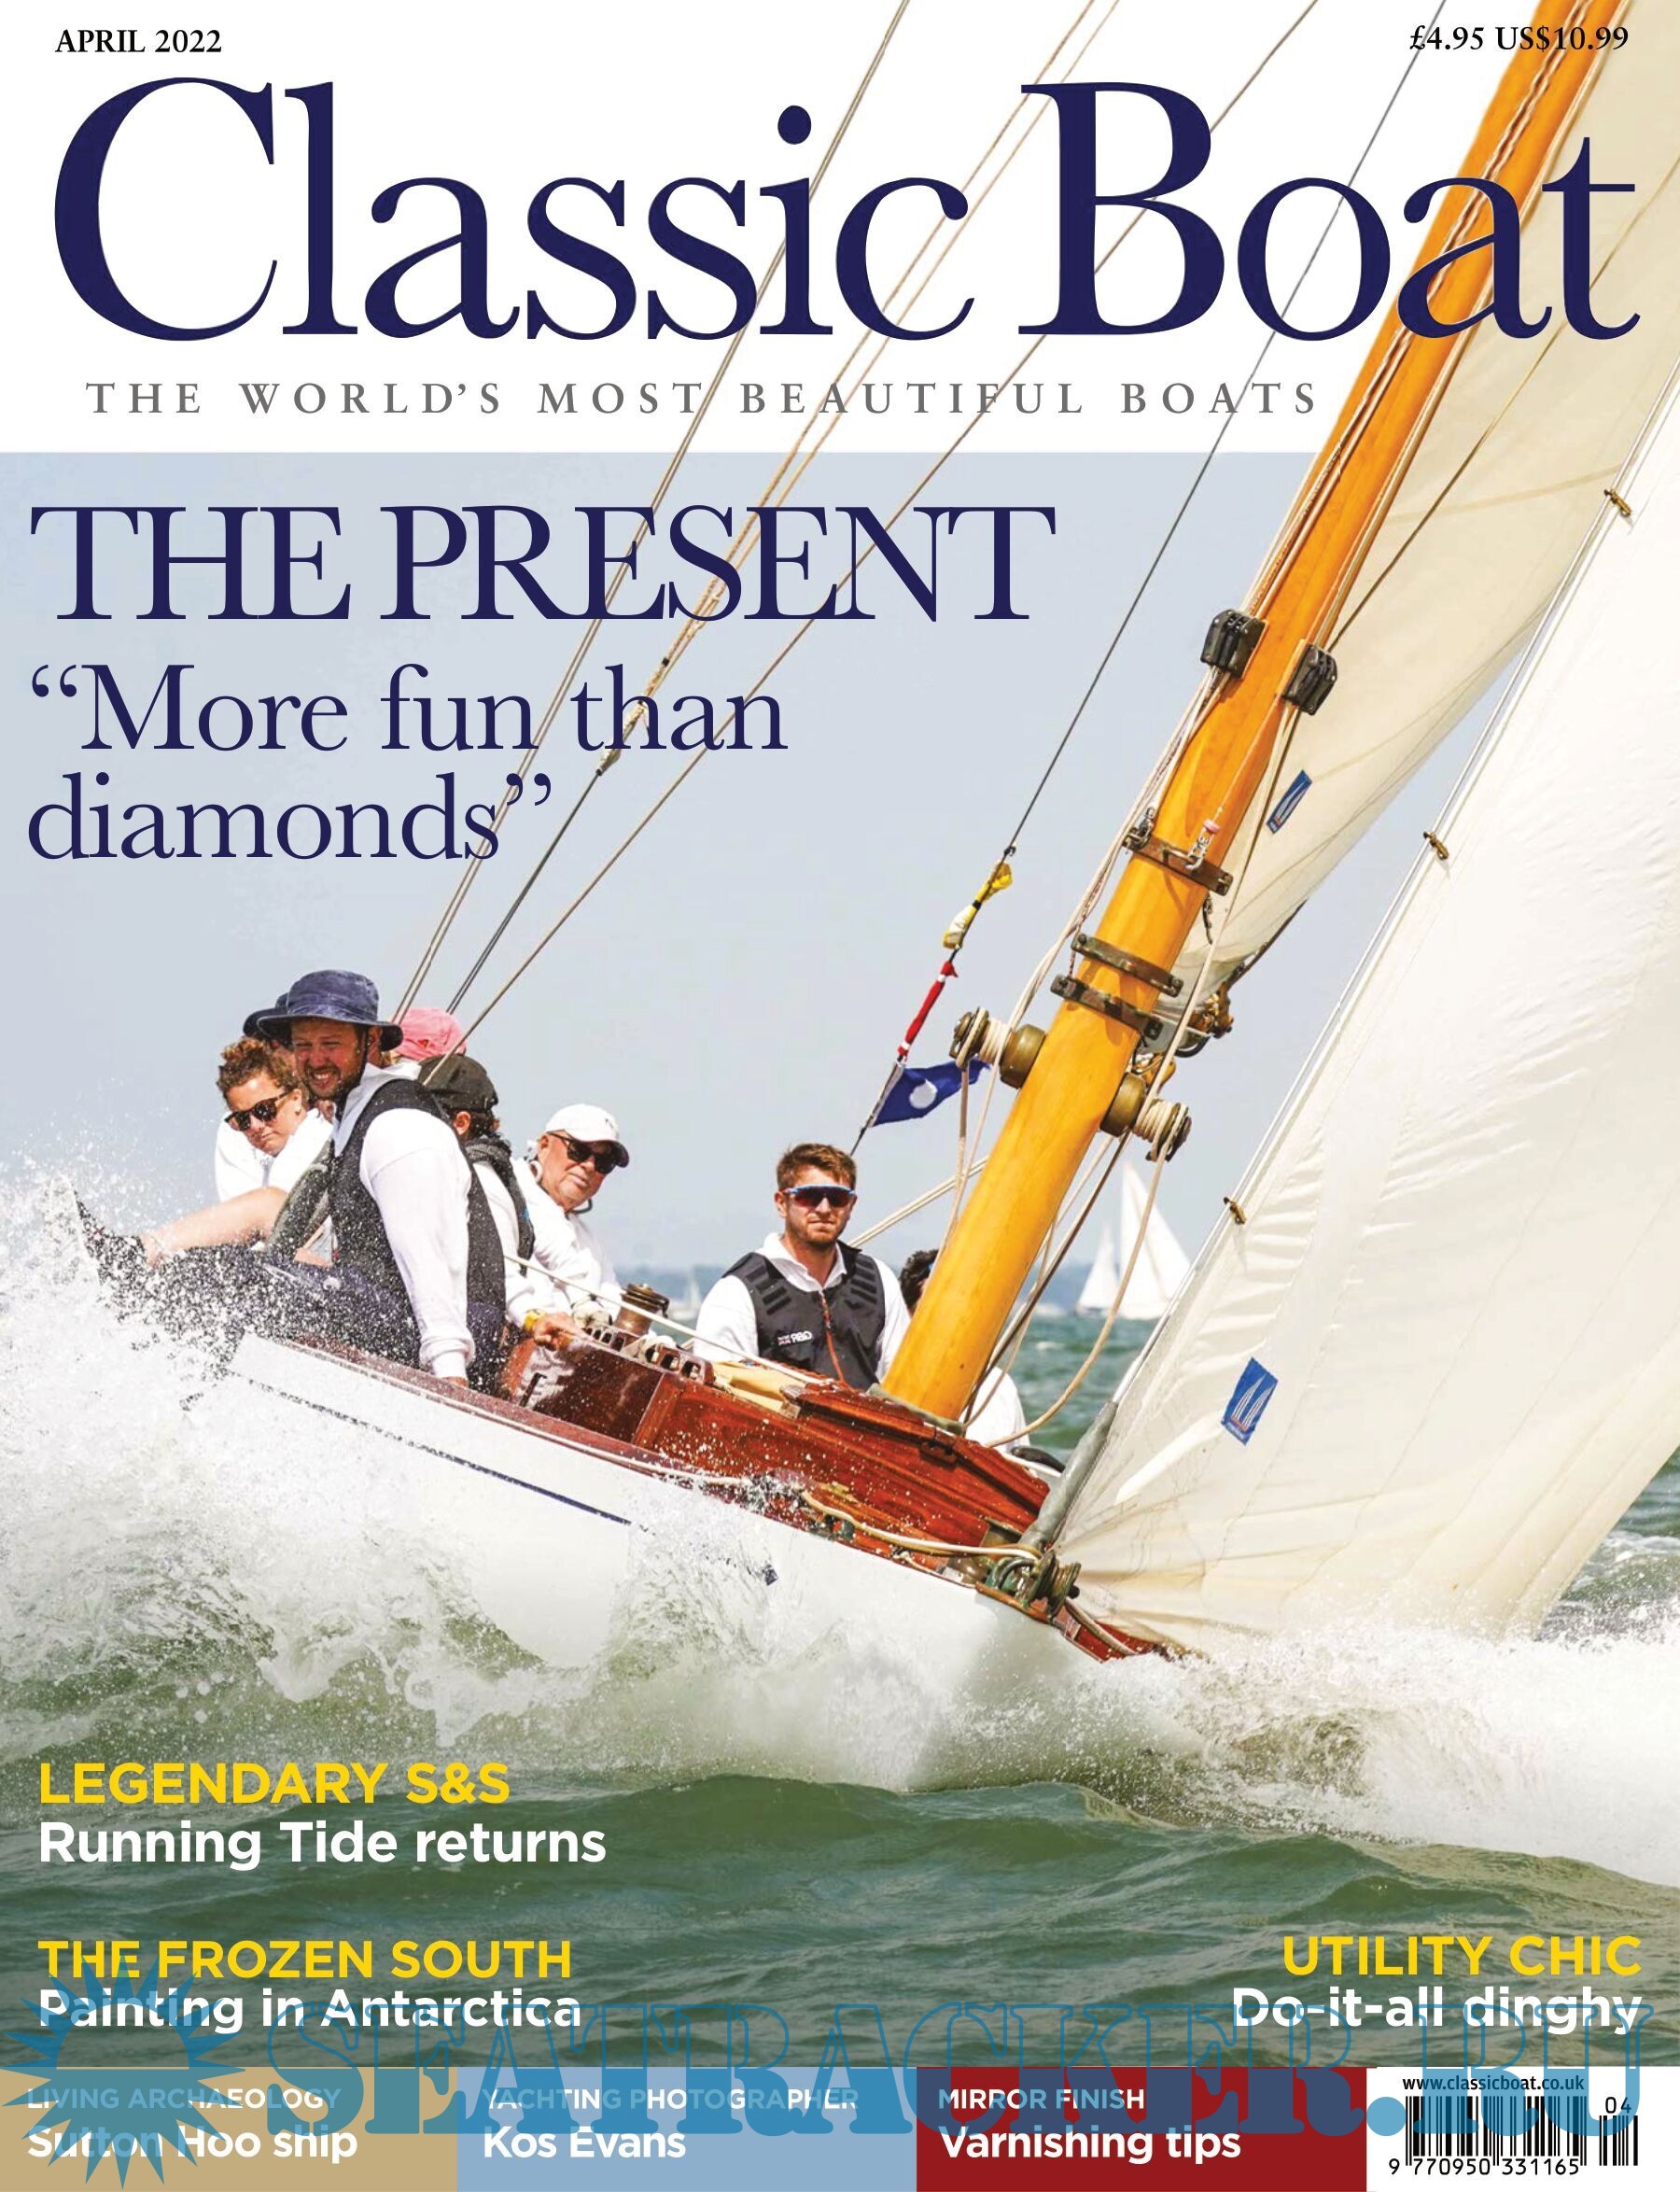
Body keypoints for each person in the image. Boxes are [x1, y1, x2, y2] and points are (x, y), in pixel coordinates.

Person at [245, 971, 508, 1384]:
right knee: (218, 1268)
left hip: (435, 1330)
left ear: (368, 1042)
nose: (315, 1059)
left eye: (331, 1044)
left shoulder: (396, 1125)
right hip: (384, 1308)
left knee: (232, 1277)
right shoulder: (354, 1111)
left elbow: (425, 1254)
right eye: (303, 1045)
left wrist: (450, 1373)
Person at [693, 1143, 908, 1389]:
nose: (824, 1209)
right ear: (782, 1203)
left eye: (837, 1198)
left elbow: (904, 1383)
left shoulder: (879, 1280)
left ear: (851, 1206)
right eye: (810, 1196)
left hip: (868, 1414)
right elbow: (717, 1391)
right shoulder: (736, 1293)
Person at [417, 1050, 544, 1323]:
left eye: (420, 1115)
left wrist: (532, 1319)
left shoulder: (479, 1183)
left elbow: (503, 1274)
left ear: (460, 1123)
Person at [899, 1247, 1029, 1451]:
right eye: (938, 1309)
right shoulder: (889, 1380)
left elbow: (1023, 1465)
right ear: (908, 1314)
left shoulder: (998, 1386)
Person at [517, 1105, 628, 1337]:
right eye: (578, 1150)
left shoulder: (589, 1242)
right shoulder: (508, 1194)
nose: (589, 1166)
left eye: (604, 1161)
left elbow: (614, 1305)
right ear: (544, 1145)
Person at [210, 1038, 329, 1201]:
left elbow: (269, 1207)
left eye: (264, 1110)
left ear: (295, 1099)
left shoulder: (314, 1141)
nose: (255, 1126)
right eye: (243, 1119)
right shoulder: (276, 1159)